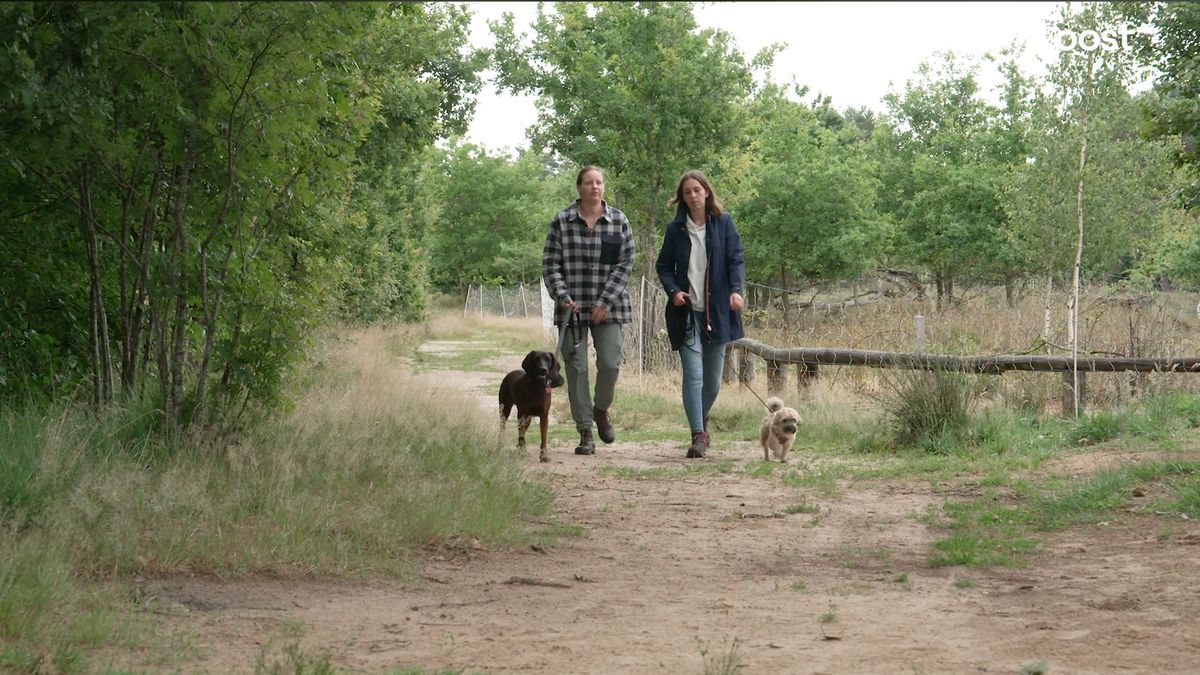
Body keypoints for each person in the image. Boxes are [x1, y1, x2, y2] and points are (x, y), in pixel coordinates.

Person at [542, 166, 635, 455]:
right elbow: (550, 265)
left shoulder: (618, 221)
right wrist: (562, 296)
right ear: (579, 188)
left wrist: (604, 303)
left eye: (599, 183)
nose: (595, 187)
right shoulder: (562, 221)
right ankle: (585, 430)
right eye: (589, 183)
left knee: (610, 363)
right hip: (572, 308)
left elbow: (625, 264)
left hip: (609, 308)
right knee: (576, 368)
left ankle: (600, 410)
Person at [655, 169, 745, 458]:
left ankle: (700, 422)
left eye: (697, 190)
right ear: (681, 197)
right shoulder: (675, 229)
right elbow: (663, 266)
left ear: (707, 191)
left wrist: (736, 290)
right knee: (693, 375)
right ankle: (698, 434)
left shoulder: (723, 223)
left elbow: (736, 259)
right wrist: (673, 291)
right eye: (687, 192)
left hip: (718, 311)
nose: (693, 195)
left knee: (713, 381)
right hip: (686, 313)